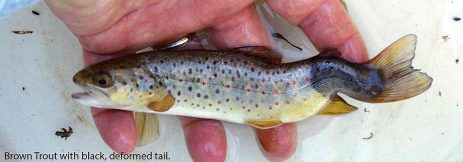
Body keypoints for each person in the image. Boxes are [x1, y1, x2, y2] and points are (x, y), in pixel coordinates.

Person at [42, 0, 368, 161]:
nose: (98, 85)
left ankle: (363, 81)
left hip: (276, 82)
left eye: (104, 80)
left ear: (143, 84)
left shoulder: (157, 97)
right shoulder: (152, 93)